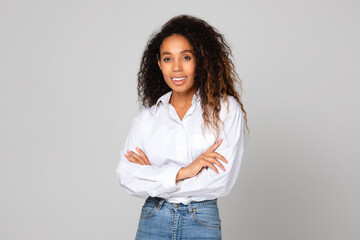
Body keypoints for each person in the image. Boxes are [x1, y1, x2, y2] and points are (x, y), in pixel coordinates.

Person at [116, 15, 247, 240]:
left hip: (201, 220)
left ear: (201, 60)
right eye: (168, 59)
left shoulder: (225, 110)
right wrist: (185, 172)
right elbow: (127, 176)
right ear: (159, 63)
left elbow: (219, 182)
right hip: (153, 219)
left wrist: (156, 178)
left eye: (186, 57)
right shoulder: (147, 119)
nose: (176, 68)